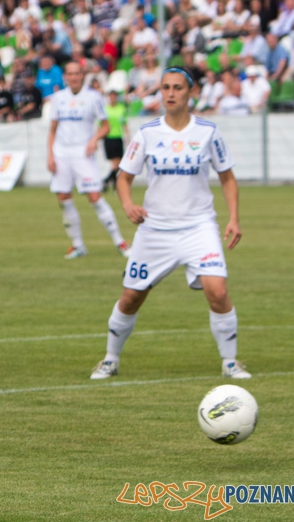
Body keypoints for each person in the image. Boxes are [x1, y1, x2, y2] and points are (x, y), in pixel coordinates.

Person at [90, 67, 251, 381]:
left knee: (217, 291)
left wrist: (233, 218)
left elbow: (227, 178)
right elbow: (124, 178)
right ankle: (110, 358)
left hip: (199, 226)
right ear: (160, 92)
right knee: (131, 297)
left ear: (190, 93)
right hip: (155, 229)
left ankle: (230, 362)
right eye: (165, 87)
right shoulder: (148, 133)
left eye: (178, 87)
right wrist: (127, 205)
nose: (171, 93)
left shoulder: (208, 131)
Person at [47, 61, 131, 259]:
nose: (74, 77)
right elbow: (52, 130)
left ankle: (120, 242)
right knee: (64, 199)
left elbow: (105, 126)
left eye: (77, 73)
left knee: (94, 196)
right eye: (70, 73)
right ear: (65, 77)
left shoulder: (94, 97)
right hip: (61, 154)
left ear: (82, 75)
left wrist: (94, 140)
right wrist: (50, 155)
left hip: (83, 154)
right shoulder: (58, 98)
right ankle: (78, 245)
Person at [101, 88, 129, 192]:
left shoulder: (121, 108)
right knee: (115, 163)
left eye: (114, 96)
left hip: (118, 136)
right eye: (111, 96)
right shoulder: (105, 109)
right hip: (109, 137)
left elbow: (124, 123)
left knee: (119, 162)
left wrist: (127, 135)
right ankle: (112, 182)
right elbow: (101, 125)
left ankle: (109, 181)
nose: (113, 98)